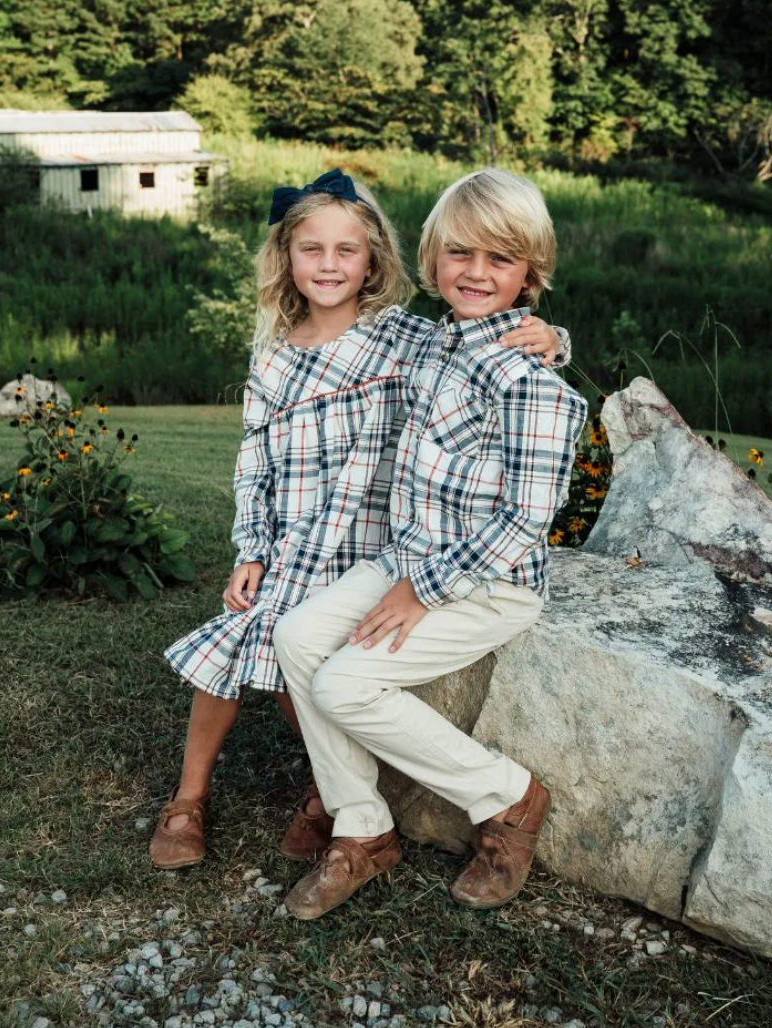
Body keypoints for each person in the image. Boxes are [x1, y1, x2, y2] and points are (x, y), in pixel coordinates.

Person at [150, 170, 567, 869]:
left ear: (373, 260)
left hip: (371, 539)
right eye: (311, 250)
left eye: (347, 251)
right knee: (250, 633)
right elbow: (253, 461)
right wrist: (252, 547)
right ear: (285, 257)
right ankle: (198, 797)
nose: (330, 265)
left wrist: (553, 338)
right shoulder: (276, 355)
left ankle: (333, 795)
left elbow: (499, 350)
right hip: (300, 538)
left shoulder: (400, 337)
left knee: (310, 667)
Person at [272, 168, 588, 919]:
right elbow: (342, 312)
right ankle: (365, 828)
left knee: (345, 684)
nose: (476, 274)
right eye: (459, 255)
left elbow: (522, 523)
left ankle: (508, 798)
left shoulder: (534, 385)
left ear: (530, 274)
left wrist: (422, 592)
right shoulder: (431, 338)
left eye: (500, 260)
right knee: (296, 637)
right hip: (405, 556)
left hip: (487, 584)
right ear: (432, 259)